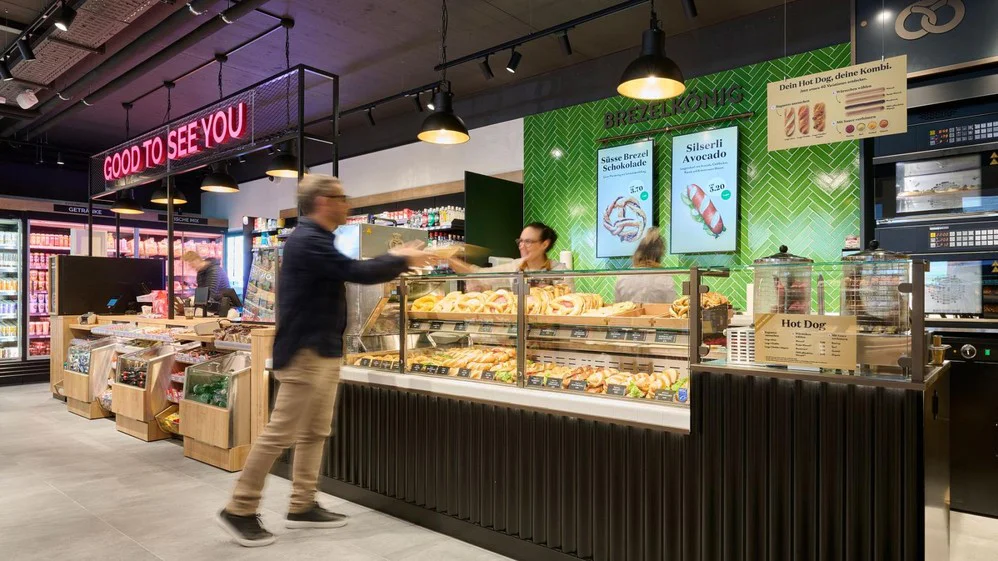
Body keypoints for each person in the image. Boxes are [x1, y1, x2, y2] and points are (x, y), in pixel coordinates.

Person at [216, 175, 432, 547]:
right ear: (323, 201)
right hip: (305, 351)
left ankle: (302, 504)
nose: (348, 204)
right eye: (342, 197)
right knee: (279, 434)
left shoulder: (319, 239)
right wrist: (400, 258)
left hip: (324, 350)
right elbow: (357, 272)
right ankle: (240, 507)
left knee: (315, 432)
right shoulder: (308, 240)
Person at [614, 228, 676, 304]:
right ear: (659, 255)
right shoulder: (665, 277)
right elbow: (671, 305)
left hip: (627, 312)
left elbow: (617, 306)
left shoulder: (623, 276)